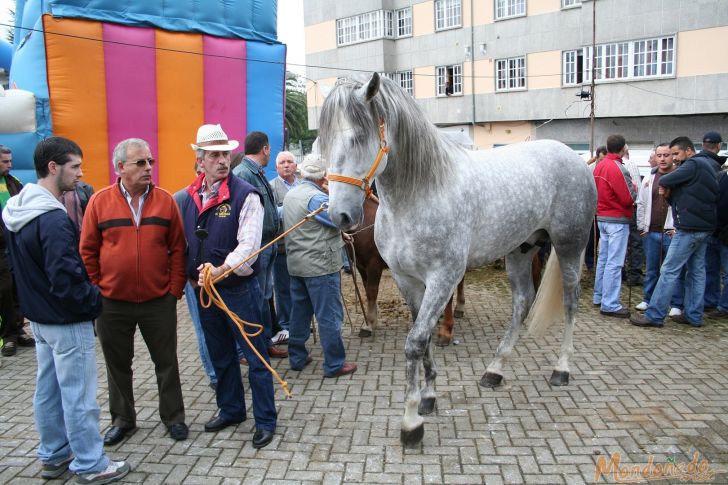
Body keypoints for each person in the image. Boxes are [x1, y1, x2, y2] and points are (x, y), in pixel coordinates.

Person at [2, 136, 129, 483]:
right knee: (79, 396)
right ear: (53, 167)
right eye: (74, 166)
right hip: (66, 319)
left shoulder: (16, 209)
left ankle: (55, 454)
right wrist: (93, 301)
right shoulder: (54, 219)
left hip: (41, 318)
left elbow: (20, 270)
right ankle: (90, 463)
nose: (80, 173)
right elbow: (66, 276)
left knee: (49, 389)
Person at [80, 138, 188, 445]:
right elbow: (87, 250)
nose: (148, 168)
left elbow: (178, 249)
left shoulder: (165, 201)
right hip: (112, 303)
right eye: (140, 163)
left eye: (150, 162)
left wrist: (174, 290)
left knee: (166, 362)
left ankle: (173, 417)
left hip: (158, 301)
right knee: (117, 365)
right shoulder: (99, 202)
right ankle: (123, 420)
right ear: (120, 167)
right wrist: (96, 289)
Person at [181, 124, 277, 449]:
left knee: (255, 357)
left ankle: (265, 419)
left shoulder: (245, 195)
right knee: (220, 355)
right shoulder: (189, 196)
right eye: (214, 155)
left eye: (225, 153)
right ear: (200, 160)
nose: (222, 160)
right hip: (204, 292)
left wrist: (220, 269)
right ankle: (232, 409)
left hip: (239, 290)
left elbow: (249, 245)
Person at [630, 136, 720, 328]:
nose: (674, 158)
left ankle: (654, 315)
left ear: (688, 151)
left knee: (669, 270)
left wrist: (667, 186)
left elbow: (667, 177)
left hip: (689, 228)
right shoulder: (707, 166)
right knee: (697, 272)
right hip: (704, 227)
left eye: (675, 154)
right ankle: (694, 316)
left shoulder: (693, 164)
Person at [283, 154, 357, 378]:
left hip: (297, 265)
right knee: (329, 316)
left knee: (299, 315)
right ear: (323, 176)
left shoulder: (291, 194)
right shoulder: (317, 199)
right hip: (320, 267)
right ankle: (335, 364)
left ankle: (296, 358)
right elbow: (344, 222)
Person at [232, 132, 287, 359]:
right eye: (269, 151)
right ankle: (251, 349)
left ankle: (265, 343)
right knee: (255, 298)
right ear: (265, 149)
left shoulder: (256, 172)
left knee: (265, 296)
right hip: (257, 247)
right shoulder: (243, 173)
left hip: (268, 244)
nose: (269, 154)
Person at [174, 162, 218, 390]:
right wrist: (187, 276)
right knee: (203, 327)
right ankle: (214, 375)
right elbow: (176, 242)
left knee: (221, 326)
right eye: (201, 173)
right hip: (195, 280)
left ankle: (223, 368)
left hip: (220, 276)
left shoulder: (223, 196)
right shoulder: (181, 199)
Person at [634, 143, 684, 315]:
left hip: (672, 232)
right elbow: (641, 203)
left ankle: (676, 303)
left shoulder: (679, 176)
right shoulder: (649, 178)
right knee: (652, 269)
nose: (662, 159)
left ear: (672, 157)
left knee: (673, 271)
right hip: (651, 231)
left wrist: (679, 227)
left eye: (666, 155)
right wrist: (642, 226)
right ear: (655, 157)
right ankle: (648, 299)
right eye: (659, 155)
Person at [593, 134, 637, 318]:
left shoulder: (599, 166)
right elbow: (628, 197)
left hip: (601, 217)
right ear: (623, 148)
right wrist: (634, 187)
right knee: (615, 262)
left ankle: (599, 296)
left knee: (603, 259)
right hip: (617, 219)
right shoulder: (617, 167)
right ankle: (610, 303)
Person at [0, 144, 35, 357]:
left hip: (14, 246)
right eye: (5, 161)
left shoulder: (14, 183)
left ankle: (18, 328)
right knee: (4, 290)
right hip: (0, 248)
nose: (10, 165)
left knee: (17, 288)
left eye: (11, 161)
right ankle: (8, 336)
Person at [269, 151, 298, 345]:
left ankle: (299, 321)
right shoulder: (271, 188)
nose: (286, 165)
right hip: (281, 248)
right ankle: (286, 325)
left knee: (299, 287)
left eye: (289, 162)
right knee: (283, 289)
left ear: (296, 165)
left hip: (302, 248)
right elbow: (271, 214)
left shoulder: (303, 184)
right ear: (277, 167)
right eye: (282, 163)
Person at [700, 132, 726, 313]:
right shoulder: (718, 171)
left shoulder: (708, 166)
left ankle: (720, 304)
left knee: (713, 268)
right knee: (711, 268)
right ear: (718, 146)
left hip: (717, 228)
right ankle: (714, 302)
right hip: (713, 228)